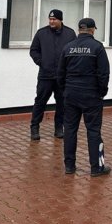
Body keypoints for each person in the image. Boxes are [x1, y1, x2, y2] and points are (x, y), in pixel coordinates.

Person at [57, 18, 110, 176]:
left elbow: (60, 74)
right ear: (93, 29)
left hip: (71, 95)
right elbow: (103, 73)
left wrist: (65, 91)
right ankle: (96, 168)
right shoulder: (97, 47)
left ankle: (69, 166)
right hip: (91, 95)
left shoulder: (68, 47)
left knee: (70, 130)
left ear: (79, 29)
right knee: (93, 131)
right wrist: (102, 92)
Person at [29, 9, 76, 140]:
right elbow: (34, 50)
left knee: (62, 103)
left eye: (54, 19)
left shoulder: (70, 34)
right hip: (45, 75)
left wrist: (69, 67)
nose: (51, 21)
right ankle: (34, 127)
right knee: (40, 102)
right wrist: (41, 62)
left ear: (60, 20)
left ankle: (59, 128)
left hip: (62, 77)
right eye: (50, 19)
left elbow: (74, 52)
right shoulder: (41, 33)